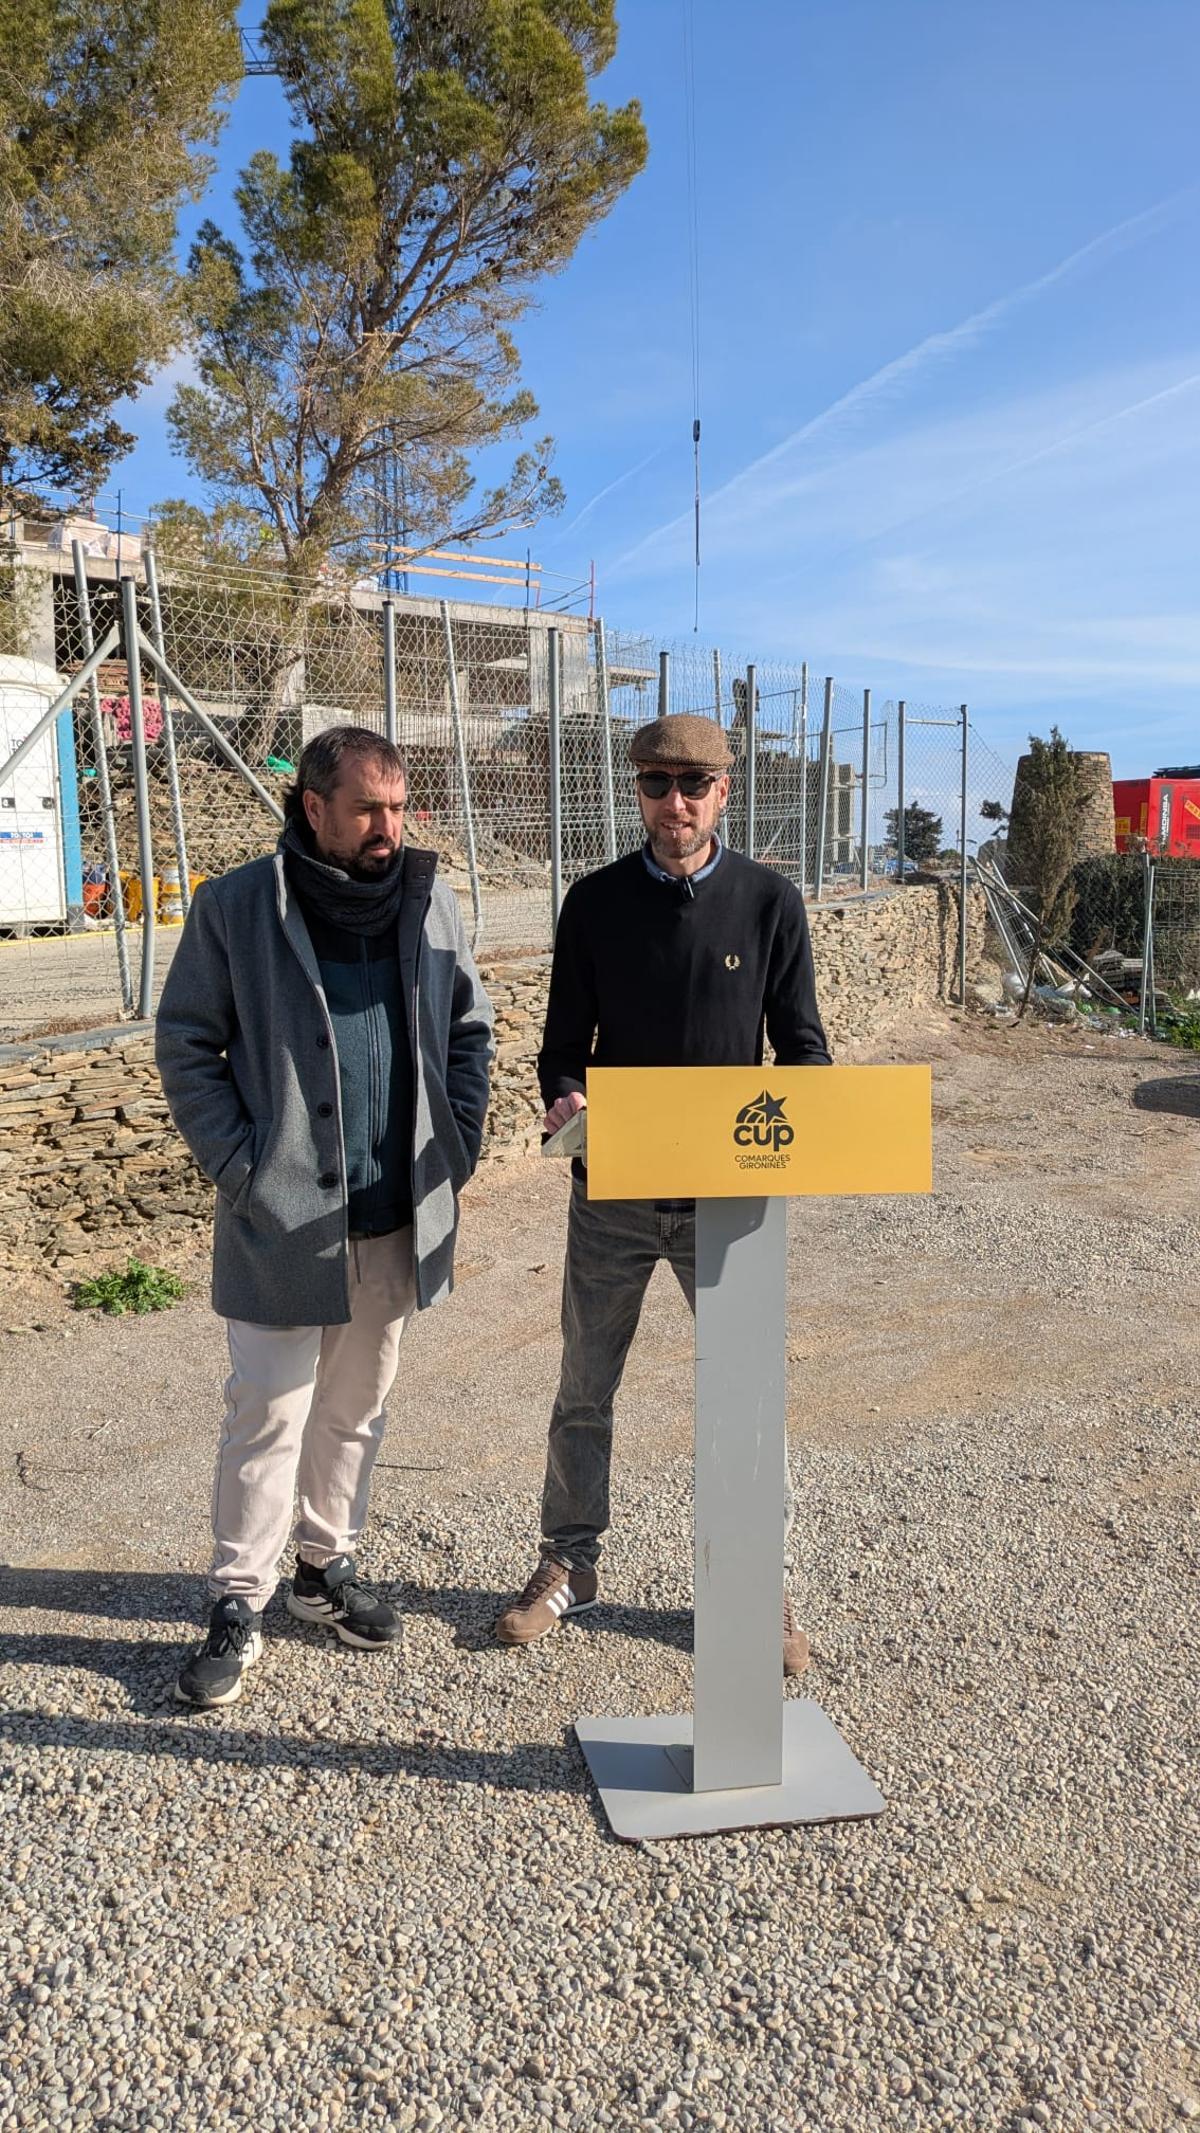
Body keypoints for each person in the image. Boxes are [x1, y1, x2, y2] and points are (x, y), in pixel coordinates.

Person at [156, 726, 493, 1709]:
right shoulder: (235, 909)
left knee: (354, 1410)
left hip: (395, 1216)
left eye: (400, 808)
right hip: (281, 1220)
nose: (390, 828)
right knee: (267, 1412)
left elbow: (469, 1031)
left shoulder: (431, 906)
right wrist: (243, 1168)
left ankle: (323, 1567)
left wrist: (456, 1148)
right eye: (367, 810)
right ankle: (237, 1598)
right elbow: (186, 1044)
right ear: (313, 807)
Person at [496, 713, 831, 1673]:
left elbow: (804, 1048)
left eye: (692, 785)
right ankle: (569, 1563)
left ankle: (751, 1589)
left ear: (725, 791)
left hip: (730, 1199)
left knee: (742, 1398)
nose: (672, 803)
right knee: (584, 1388)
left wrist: (792, 1121)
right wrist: (566, 1094)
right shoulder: (593, 903)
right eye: (654, 784)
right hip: (614, 1194)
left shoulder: (771, 902)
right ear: (634, 791)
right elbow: (563, 1047)